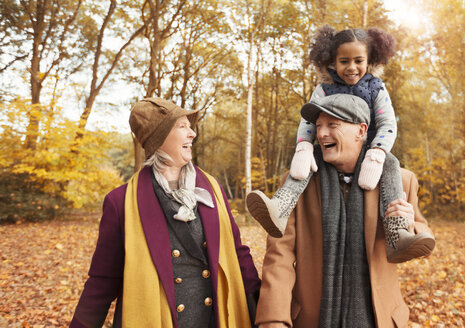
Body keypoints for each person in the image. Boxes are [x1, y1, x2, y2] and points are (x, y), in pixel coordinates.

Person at [246, 25, 434, 262]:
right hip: (331, 151)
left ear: (369, 60)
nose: (352, 68)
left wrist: (377, 152)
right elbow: (308, 121)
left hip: (369, 149)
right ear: (332, 61)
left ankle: (397, 232)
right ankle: (279, 208)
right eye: (344, 61)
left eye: (358, 60)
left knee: (391, 164)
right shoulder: (323, 89)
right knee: (309, 160)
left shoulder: (375, 88)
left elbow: (387, 122)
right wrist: (303, 146)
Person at [70, 97, 261, 328]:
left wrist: (265, 309)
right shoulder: (120, 203)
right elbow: (103, 281)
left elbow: (238, 254)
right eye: (182, 126)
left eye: (190, 127)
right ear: (158, 139)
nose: (192, 134)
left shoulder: (212, 189)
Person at [254, 93, 435, 328]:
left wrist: (410, 225)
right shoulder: (297, 182)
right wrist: (273, 319)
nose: (321, 134)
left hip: (378, 319)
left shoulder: (401, 180)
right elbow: (279, 257)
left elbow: (423, 237)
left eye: (332, 124)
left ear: (361, 131)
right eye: (318, 126)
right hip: (311, 319)